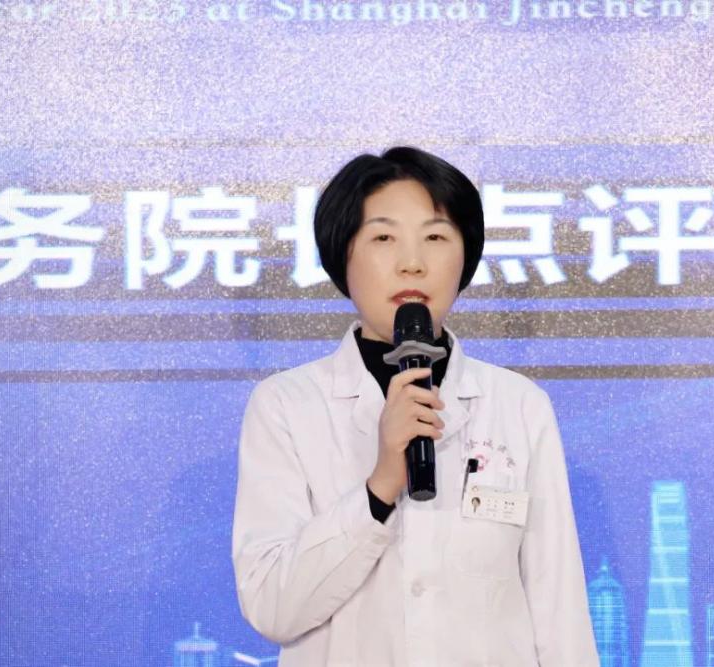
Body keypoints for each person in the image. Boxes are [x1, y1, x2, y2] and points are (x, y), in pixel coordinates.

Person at [231, 146, 598, 666]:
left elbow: (558, 607)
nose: (412, 262)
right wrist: (380, 485)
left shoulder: (519, 406)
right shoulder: (286, 406)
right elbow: (273, 607)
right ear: (342, 254)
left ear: (465, 257)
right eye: (383, 238)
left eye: (435, 237)